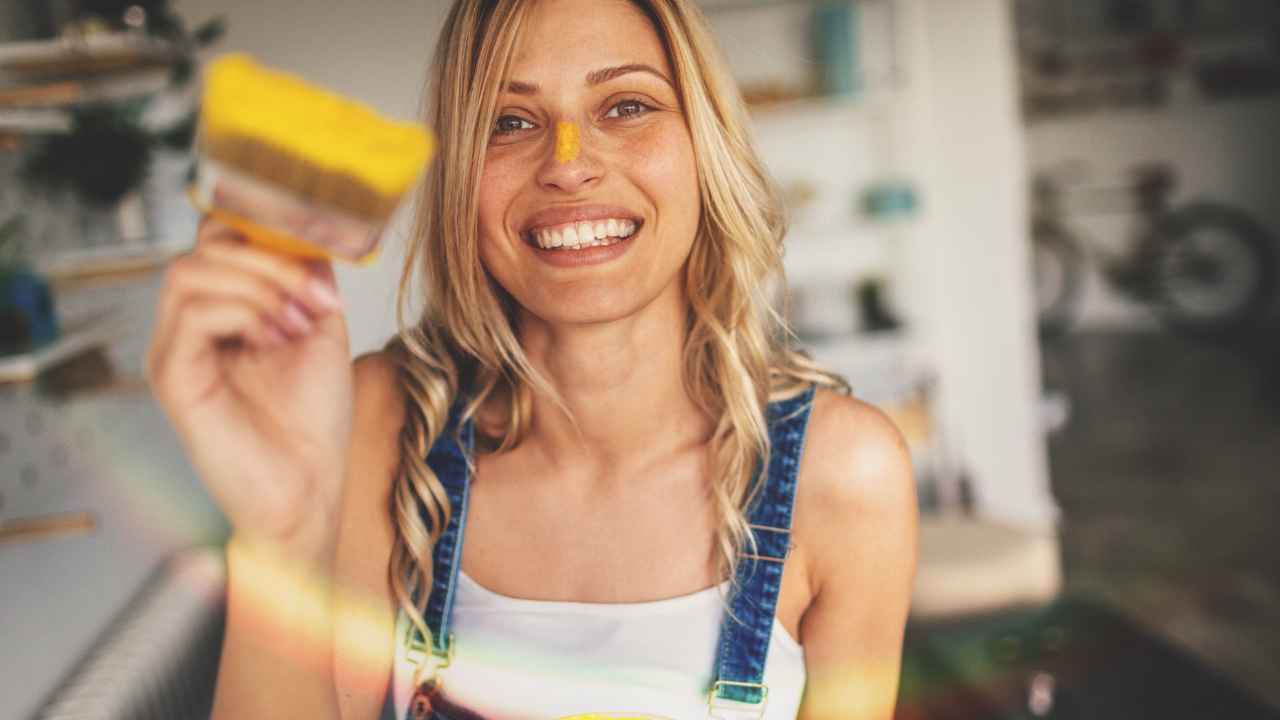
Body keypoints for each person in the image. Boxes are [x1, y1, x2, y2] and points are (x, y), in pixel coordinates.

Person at [145, 0, 918, 718]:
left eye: (626, 106)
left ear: (703, 145)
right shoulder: (379, 422)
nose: (567, 164)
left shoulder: (844, 474)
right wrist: (278, 531)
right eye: (510, 121)